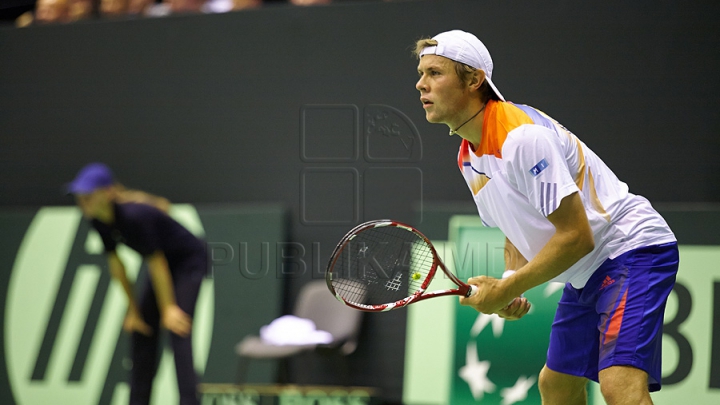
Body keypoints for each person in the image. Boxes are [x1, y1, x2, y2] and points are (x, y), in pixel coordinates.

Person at [413, 30, 678, 405]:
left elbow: (577, 237)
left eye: (435, 73)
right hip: (587, 271)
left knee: (619, 387)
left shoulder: (522, 137)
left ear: (473, 80)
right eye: (421, 73)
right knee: (556, 385)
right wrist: (511, 282)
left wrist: (506, 289)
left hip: (631, 250)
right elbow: (516, 227)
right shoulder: (468, 158)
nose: (421, 84)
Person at [67, 162, 207, 405]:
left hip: (188, 262)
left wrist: (169, 309)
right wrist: (133, 311)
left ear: (107, 193)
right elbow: (117, 265)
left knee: (177, 327)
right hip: (163, 266)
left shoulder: (134, 216)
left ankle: (189, 401)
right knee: (141, 329)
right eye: (80, 197)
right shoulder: (97, 219)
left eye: (88, 196)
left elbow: (157, 263)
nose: (84, 202)